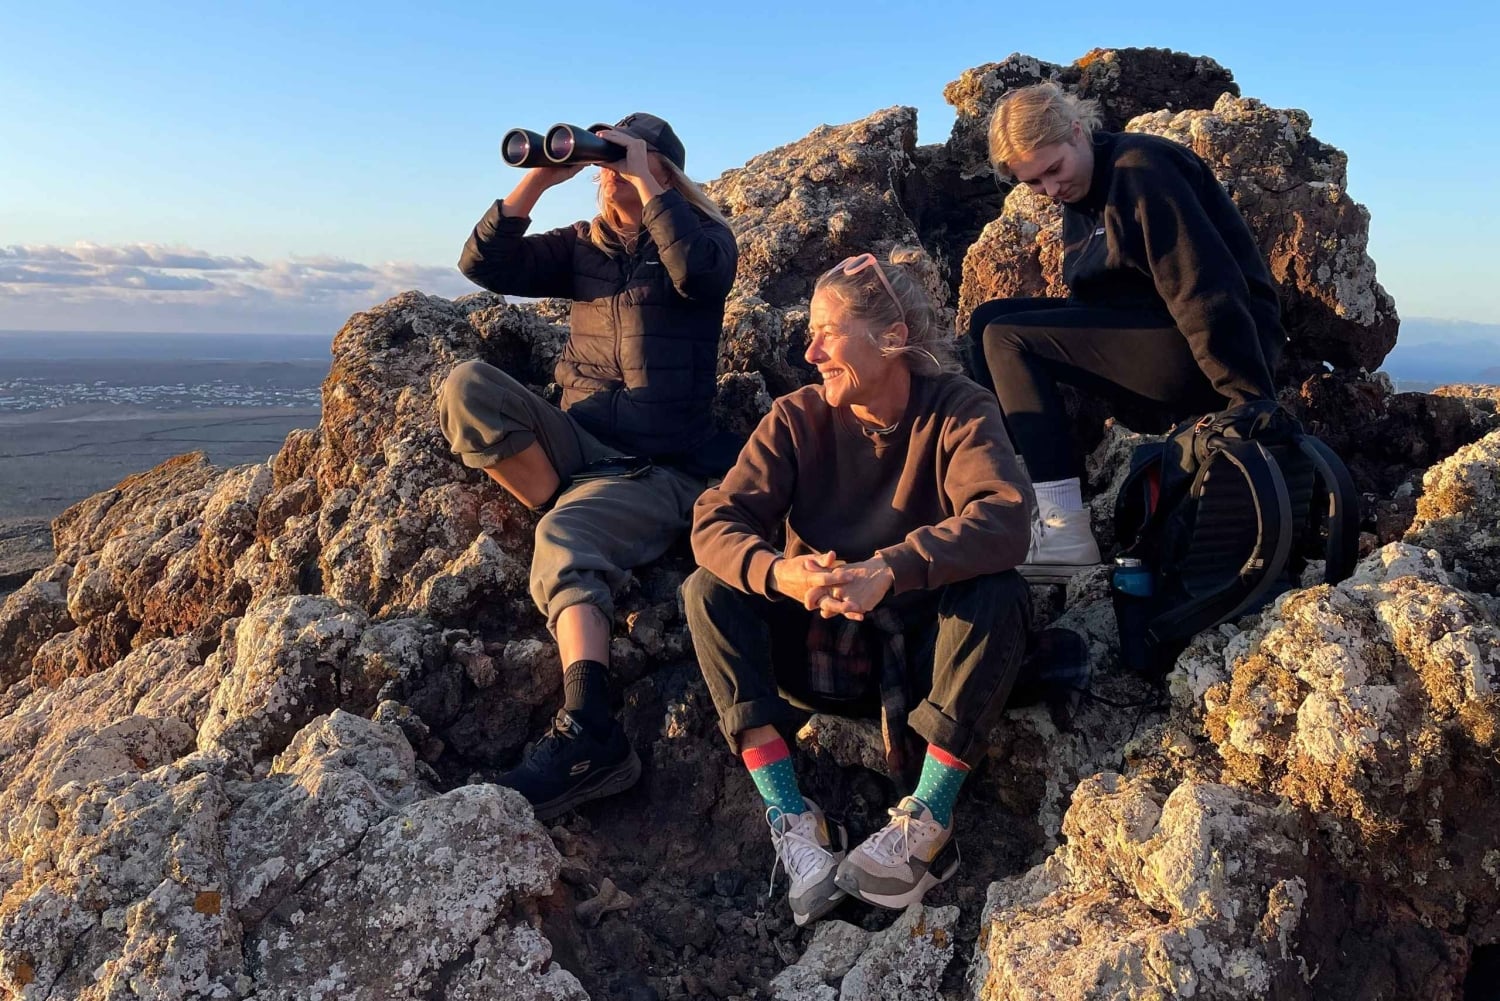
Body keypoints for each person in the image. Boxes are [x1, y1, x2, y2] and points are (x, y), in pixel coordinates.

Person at [683, 247, 1034, 925]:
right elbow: (715, 519)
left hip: (926, 660)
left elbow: (1006, 517)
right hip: (823, 653)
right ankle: (793, 817)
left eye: (827, 331)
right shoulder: (796, 418)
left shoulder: (958, 410)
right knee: (708, 590)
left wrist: (893, 568)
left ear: (893, 338)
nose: (810, 352)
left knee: (1000, 594)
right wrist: (779, 571)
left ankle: (928, 823)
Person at [438, 113, 738, 821]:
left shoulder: (705, 241)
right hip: (581, 444)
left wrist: (646, 178)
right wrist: (541, 177)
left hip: (660, 467)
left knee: (564, 540)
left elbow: (697, 273)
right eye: (603, 166)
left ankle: (591, 732)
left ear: (662, 169)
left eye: (619, 163)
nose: (606, 176)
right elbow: (483, 267)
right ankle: (567, 509)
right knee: (465, 389)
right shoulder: (585, 248)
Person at [971, 82, 1286, 582]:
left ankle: (1065, 531)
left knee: (1006, 338)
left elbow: (1202, 284)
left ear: (1078, 131)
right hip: (1150, 338)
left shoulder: (1141, 169)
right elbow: (1096, 305)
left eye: (1053, 170)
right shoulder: (1082, 195)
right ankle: (1024, 501)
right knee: (988, 321)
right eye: (1032, 183)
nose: (1050, 190)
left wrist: (1247, 398)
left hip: (1201, 356)